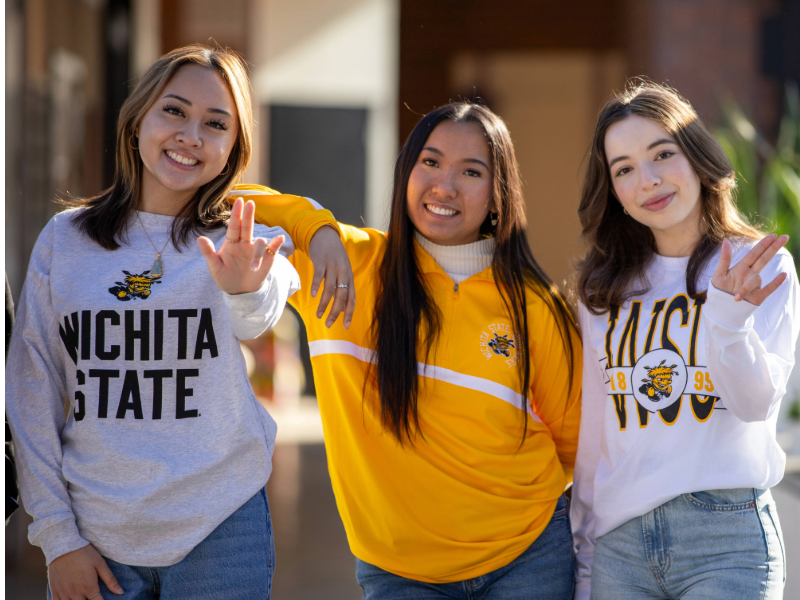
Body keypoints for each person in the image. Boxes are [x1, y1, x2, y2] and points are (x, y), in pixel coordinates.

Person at [230, 101, 582, 599]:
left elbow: (575, 443)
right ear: (407, 171)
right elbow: (222, 196)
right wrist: (318, 230)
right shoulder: (347, 264)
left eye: (471, 171)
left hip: (528, 556)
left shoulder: (534, 306)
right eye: (431, 162)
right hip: (400, 571)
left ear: (498, 194)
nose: (445, 185)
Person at [5, 45, 302, 600]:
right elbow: (30, 391)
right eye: (175, 111)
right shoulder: (65, 240)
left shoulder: (242, 243)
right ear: (138, 116)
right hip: (96, 533)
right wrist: (57, 537)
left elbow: (259, 315)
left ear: (233, 148)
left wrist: (244, 288)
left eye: (216, 124)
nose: (191, 134)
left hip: (222, 530)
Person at [571, 81, 798, 600]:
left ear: (696, 156)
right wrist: (585, 562)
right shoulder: (604, 289)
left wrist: (728, 318)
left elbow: (755, 403)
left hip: (726, 540)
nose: (646, 180)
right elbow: (597, 432)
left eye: (662, 154)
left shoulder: (758, 266)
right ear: (614, 193)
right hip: (620, 547)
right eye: (623, 169)